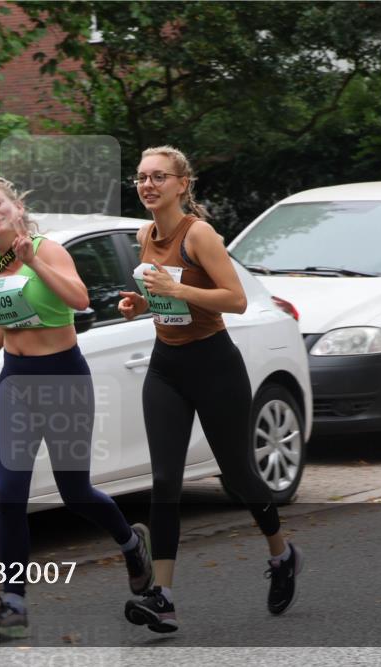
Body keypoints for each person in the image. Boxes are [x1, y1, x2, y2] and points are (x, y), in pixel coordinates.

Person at [117, 146, 303, 632]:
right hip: (166, 365)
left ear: (182, 184)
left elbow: (235, 300)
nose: (148, 185)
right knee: (164, 481)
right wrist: (143, 304)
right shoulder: (144, 234)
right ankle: (164, 596)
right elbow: (166, 297)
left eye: (159, 176)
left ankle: (282, 554)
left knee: (239, 476)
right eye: (141, 177)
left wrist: (180, 291)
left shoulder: (198, 234)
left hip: (215, 364)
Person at [0, 172, 153, 641]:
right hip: (16, 384)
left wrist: (34, 263)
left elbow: (79, 299)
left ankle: (132, 544)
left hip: (63, 378)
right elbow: (3, 321)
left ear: (16, 208)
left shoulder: (47, 249)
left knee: (74, 492)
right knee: (9, 493)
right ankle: (13, 604)